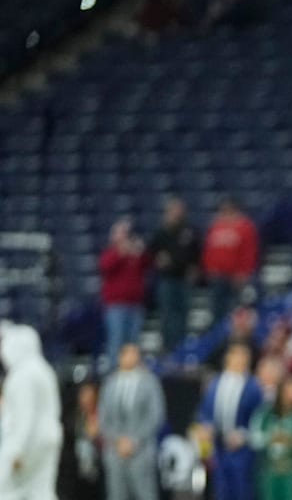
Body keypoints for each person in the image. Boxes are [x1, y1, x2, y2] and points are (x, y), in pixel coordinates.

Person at [0, 324, 64, 499]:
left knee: (5, 491)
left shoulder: (22, 375)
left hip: (29, 442)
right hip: (49, 439)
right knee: (42, 492)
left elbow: (25, 417)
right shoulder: (44, 369)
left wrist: (18, 449)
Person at [99, 343, 166, 500]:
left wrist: (134, 441)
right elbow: (103, 417)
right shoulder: (109, 383)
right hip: (114, 452)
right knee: (115, 495)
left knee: (145, 494)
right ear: (120, 357)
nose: (131, 357)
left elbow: (156, 415)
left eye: (134, 353)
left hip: (141, 451)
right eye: (127, 354)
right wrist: (117, 440)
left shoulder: (150, 382)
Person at [198, 343, 264, 500]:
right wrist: (206, 426)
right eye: (236, 355)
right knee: (221, 489)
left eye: (243, 356)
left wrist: (243, 435)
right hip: (219, 445)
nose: (239, 360)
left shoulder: (253, 387)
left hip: (242, 449)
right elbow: (205, 411)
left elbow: (259, 417)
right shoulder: (215, 383)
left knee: (242, 490)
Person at [250, 375, 292, 500]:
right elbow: (254, 438)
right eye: (288, 391)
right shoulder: (265, 415)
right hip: (270, 471)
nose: (291, 396)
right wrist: (270, 439)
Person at [149, 195, 201, 351]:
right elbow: (150, 252)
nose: (177, 213)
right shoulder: (161, 231)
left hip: (184, 278)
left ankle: (181, 346)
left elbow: (197, 252)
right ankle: (167, 346)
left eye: (179, 210)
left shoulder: (189, 231)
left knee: (183, 314)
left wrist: (195, 268)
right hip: (167, 279)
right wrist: (158, 259)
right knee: (167, 314)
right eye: (174, 210)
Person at [99, 218, 152, 368]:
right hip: (116, 306)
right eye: (121, 233)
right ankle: (115, 375)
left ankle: (132, 372)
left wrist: (140, 251)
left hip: (135, 305)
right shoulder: (111, 253)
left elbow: (149, 264)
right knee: (116, 342)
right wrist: (121, 252)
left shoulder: (135, 254)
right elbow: (105, 267)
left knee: (133, 343)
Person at [203, 197, 259, 324]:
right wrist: (209, 268)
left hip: (236, 277)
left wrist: (244, 272)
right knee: (217, 310)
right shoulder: (215, 226)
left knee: (236, 309)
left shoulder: (245, 226)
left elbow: (249, 252)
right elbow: (209, 250)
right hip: (218, 276)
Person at [206, 306, 261, 370]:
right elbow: (210, 364)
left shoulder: (255, 348)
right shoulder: (222, 344)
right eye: (238, 320)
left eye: (245, 321)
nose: (240, 324)